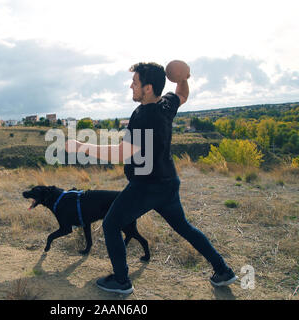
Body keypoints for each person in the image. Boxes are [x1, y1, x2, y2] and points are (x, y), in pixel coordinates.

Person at [65, 62, 237, 294]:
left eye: (135, 83)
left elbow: (121, 153)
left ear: (147, 88)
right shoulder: (166, 104)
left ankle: (121, 281)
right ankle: (223, 270)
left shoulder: (143, 116)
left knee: (111, 224)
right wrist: (182, 78)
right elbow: (182, 94)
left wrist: (81, 146)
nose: (130, 87)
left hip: (146, 186)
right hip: (167, 183)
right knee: (184, 227)